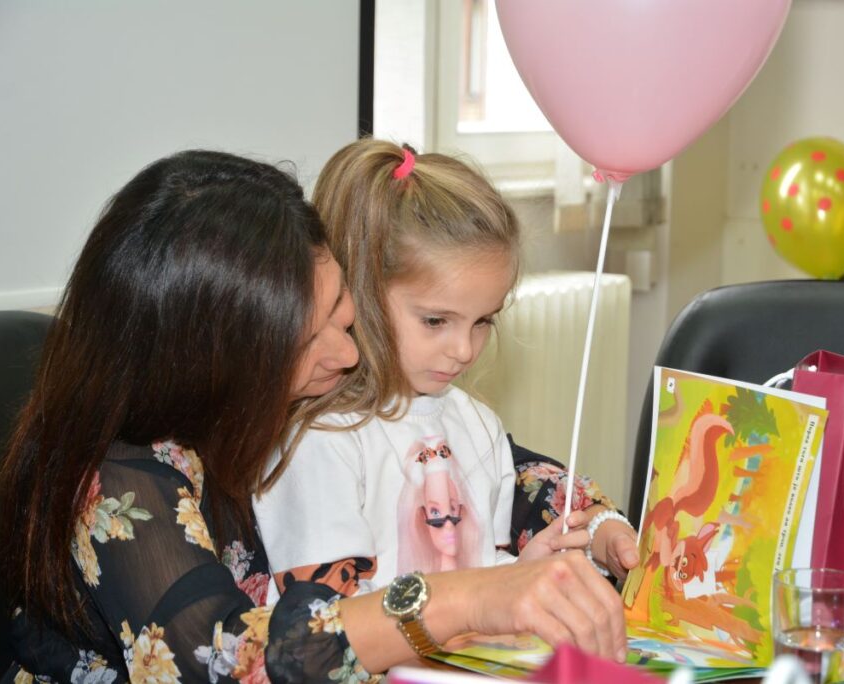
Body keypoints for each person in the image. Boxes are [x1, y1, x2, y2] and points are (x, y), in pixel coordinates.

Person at [0, 150, 627, 683]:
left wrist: (597, 522)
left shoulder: (276, 395)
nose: (349, 355)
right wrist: (467, 599)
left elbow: (500, 469)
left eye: (342, 313)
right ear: (212, 359)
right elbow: (224, 660)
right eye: (305, 338)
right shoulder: (118, 478)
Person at [254, 138, 639, 605]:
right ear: (365, 291)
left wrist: (523, 573)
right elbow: (328, 618)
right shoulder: (322, 440)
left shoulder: (478, 426)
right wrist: (491, 596)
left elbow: (478, 570)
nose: (463, 350)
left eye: (483, 321)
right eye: (436, 321)